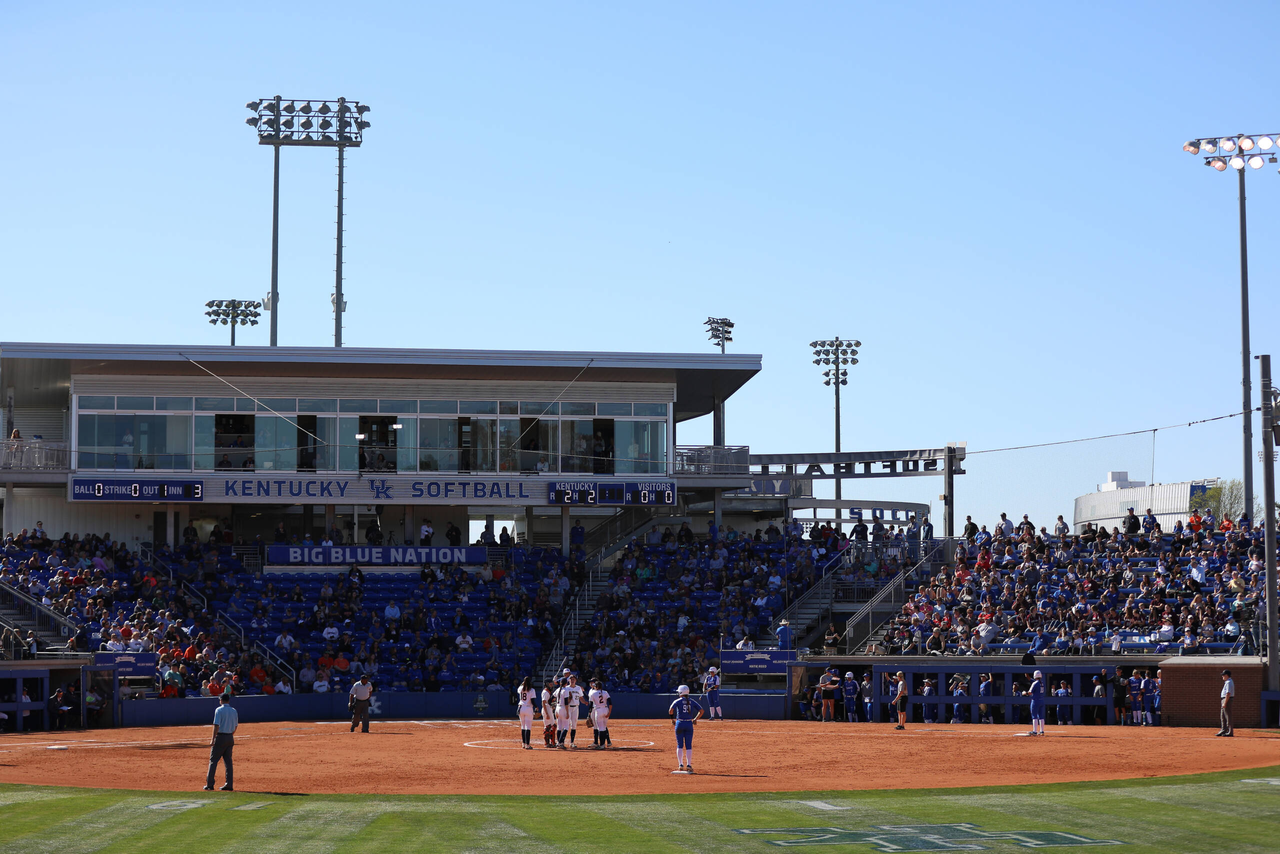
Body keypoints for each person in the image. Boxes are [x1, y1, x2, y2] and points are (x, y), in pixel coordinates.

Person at [204, 693, 238, 791]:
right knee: (228, 762)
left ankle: (210, 784)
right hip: (230, 737)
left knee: (213, 761)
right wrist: (230, 734)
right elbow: (235, 726)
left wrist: (213, 738)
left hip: (220, 737)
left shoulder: (219, 710)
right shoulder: (234, 710)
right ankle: (229, 784)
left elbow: (216, 725)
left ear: (221, 700)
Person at [669, 684, 704, 772]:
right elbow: (702, 711)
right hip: (689, 723)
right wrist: (695, 719)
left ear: (681, 692)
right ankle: (689, 765)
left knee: (679, 745)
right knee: (688, 745)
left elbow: (670, 710)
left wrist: (672, 719)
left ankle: (680, 764)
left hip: (680, 723)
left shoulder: (677, 701)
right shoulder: (692, 701)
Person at [554, 672, 584, 748]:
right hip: (566, 708)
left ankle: (571, 742)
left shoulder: (578, 688)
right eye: (571, 679)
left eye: (573, 679)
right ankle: (561, 742)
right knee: (563, 726)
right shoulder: (566, 688)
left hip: (575, 707)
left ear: (576, 680)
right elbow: (559, 697)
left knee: (573, 725)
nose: (572, 680)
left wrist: (585, 702)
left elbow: (581, 697)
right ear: (568, 681)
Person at [588, 678, 612, 748]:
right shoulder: (605, 692)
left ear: (596, 686)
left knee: (600, 728)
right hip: (605, 709)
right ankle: (604, 743)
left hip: (598, 710)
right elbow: (610, 703)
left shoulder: (593, 693)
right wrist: (609, 712)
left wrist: (589, 713)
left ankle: (602, 745)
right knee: (604, 727)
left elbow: (590, 704)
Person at [516, 676, 536, 750]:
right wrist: (536, 707)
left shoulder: (521, 688)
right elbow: (533, 701)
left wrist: (523, 683)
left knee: (523, 726)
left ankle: (524, 744)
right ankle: (527, 744)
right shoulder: (532, 690)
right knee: (528, 727)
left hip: (521, 707)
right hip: (528, 708)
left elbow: (519, 689)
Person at [1024, 670, 1046, 735]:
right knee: (1041, 716)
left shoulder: (1035, 683)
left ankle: (1035, 731)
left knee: (1034, 716)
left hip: (1035, 701)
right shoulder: (1042, 683)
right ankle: (1042, 731)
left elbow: (1030, 692)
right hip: (1041, 700)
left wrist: (1025, 693)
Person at [540, 677, 559, 748]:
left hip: (549, 709)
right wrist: (547, 713)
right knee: (548, 726)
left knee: (552, 726)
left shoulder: (549, 691)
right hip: (546, 710)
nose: (551, 684)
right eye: (550, 683)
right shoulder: (545, 692)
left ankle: (552, 742)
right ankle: (547, 743)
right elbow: (544, 703)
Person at [1218, 669, 1235, 737]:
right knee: (1222, 716)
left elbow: (1228, 693)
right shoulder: (1227, 682)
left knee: (1228, 716)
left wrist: (1225, 703)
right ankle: (1223, 729)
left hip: (1227, 699)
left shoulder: (1229, 682)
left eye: (1223, 675)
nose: (1222, 676)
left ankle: (1230, 731)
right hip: (1224, 699)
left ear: (1227, 675)